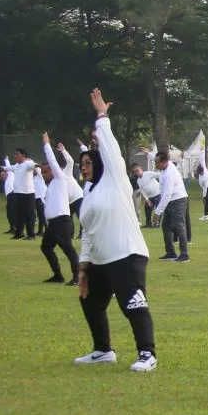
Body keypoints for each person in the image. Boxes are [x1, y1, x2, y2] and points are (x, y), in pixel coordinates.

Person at [74, 88, 157, 372]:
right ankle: (102, 350)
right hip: (100, 260)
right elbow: (87, 231)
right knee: (89, 301)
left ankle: (147, 354)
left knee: (132, 304)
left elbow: (109, 150)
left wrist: (102, 117)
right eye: (81, 164)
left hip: (126, 253)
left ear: (99, 165)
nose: (84, 168)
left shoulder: (115, 180)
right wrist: (83, 266)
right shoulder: (90, 195)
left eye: (88, 163)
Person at [39, 134, 81, 285]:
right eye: (42, 172)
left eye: (46, 172)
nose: (43, 175)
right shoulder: (51, 185)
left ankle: (77, 278)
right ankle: (58, 275)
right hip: (54, 224)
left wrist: (46, 144)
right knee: (46, 247)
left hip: (62, 222)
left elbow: (52, 160)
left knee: (69, 250)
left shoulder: (60, 178)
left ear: (53, 170)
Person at [150, 152, 189, 263]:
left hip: (178, 200)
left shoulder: (169, 174)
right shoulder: (164, 167)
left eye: (157, 163)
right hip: (170, 201)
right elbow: (156, 156)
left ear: (164, 162)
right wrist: (148, 153)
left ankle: (184, 254)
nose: (155, 165)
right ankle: (171, 253)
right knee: (166, 226)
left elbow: (167, 194)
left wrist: (157, 212)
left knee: (179, 226)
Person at [3, 149, 38, 240]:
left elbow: (34, 165)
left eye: (17, 154)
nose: (15, 156)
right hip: (18, 194)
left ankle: (31, 235)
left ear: (23, 156)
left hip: (28, 194)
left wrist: (34, 164)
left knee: (29, 215)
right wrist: (4, 167)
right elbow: (9, 168)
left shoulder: (27, 163)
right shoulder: (17, 166)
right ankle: (19, 233)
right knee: (19, 215)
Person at [132, 164, 161, 229]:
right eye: (135, 172)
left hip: (158, 194)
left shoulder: (148, 173)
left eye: (137, 170)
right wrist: (147, 200)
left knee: (158, 209)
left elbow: (158, 175)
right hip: (150, 197)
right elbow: (142, 190)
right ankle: (148, 224)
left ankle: (157, 224)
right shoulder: (138, 180)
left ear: (141, 169)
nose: (137, 173)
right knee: (147, 209)